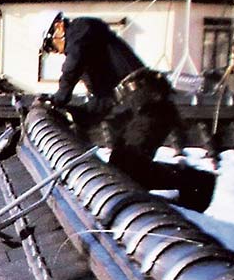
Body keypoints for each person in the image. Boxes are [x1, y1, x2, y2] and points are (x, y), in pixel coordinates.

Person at [39, 13, 215, 213]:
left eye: (52, 45)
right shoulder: (91, 59)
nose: (57, 51)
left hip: (148, 103)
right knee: (121, 168)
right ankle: (194, 184)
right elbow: (101, 103)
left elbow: (73, 61)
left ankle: (196, 183)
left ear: (60, 27)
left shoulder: (82, 28)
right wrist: (70, 112)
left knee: (126, 166)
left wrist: (60, 97)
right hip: (138, 107)